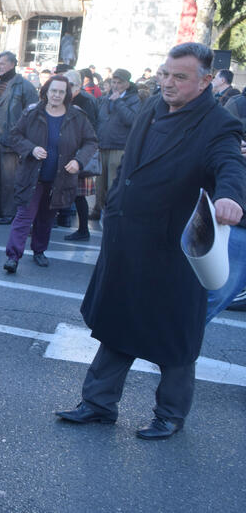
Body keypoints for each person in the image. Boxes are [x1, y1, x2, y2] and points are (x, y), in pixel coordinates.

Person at [55, 42, 246, 440]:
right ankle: (98, 404)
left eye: (180, 77)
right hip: (128, 238)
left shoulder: (218, 123)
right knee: (117, 323)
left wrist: (230, 196)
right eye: (165, 73)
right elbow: (132, 163)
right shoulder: (152, 105)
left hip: (173, 250)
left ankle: (170, 414)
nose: (168, 83)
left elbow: (230, 163)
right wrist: (114, 208)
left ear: (206, 80)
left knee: (175, 336)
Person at [2, 75, 97, 273]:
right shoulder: (32, 112)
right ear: (46, 91)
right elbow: (14, 136)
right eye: (53, 90)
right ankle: (13, 256)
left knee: (46, 218)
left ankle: (39, 251)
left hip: (60, 179)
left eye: (61, 91)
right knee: (24, 216)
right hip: (32, 176)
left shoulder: (77, 116)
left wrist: (78, 161)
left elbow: (91, 141)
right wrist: (31, 149)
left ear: (67, 94)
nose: (57, 95)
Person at [0, 51, 40, 224]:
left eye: (3, 63)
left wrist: (26, 142)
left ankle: (10, 212)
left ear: (12, 64)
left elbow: (33, 115)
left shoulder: (24, 86)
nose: (0, 67)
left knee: (10, 179)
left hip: (13, 141)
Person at [91, 68, 140, 221]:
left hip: (119, 146)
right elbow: (100, 119)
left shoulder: (133, 99)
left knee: (113, 181)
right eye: (114, 82)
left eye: (119, 83)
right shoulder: (105, 98)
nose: (116, 85)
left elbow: (132, 120)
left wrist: (119, 102)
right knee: (99, 182)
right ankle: (98, 208)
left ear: (127, 84)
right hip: (103, 144)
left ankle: (112, 211)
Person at [62, 69, 99, 241]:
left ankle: (83, 229)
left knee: (78, 194)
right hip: (68, 150)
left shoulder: (86, 101)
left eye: (69, 84)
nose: (66, 88)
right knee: (65, 190)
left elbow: (89, 128)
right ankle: (61, 220)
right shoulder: (69, 98)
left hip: (79, 153)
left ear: (76, 85)